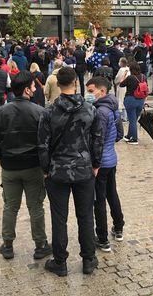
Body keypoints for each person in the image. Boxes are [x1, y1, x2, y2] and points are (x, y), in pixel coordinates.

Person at [38, 67, 103, 276]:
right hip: (83, 169)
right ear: (76, 82)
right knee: (85, 216)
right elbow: (98, 139)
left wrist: (46, 169)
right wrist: (96, 164)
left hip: (58, 171)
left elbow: (42, 145)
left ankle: (60, 261)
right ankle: (88, 259)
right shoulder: (90, 109)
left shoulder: (48, 111)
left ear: (57, 83)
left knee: (59, 218)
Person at [0, 70, 52, 261]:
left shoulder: (0, 112)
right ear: (26, 89)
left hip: (10, 167)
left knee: (10, 206)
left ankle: (8, 245)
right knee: (36, 206)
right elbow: (47, 141)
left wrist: (2, 157)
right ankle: (40, 244)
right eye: (33, 86)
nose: (35, 89)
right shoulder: (40, 112)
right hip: (33, 167)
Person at [86, 76, 125, 253]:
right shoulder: (114, 108)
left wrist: (95, 163)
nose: (88, 95)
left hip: (101, 163)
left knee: (99, 200)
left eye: (91, 91)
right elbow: (118, 134)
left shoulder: (101, 112)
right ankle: (118, 228)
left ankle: (102, 238)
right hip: (111, 159)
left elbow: (97, 141)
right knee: (112, 194)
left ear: (102, 91)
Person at [119, 63, 146, 145]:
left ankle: (134, 139)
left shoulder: (130, 78)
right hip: (141, 100)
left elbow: (121, 84)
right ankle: (129, 136)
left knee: (132, 120)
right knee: (134, 119)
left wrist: (124, 75)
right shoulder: (143, 77)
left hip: (131, 99)